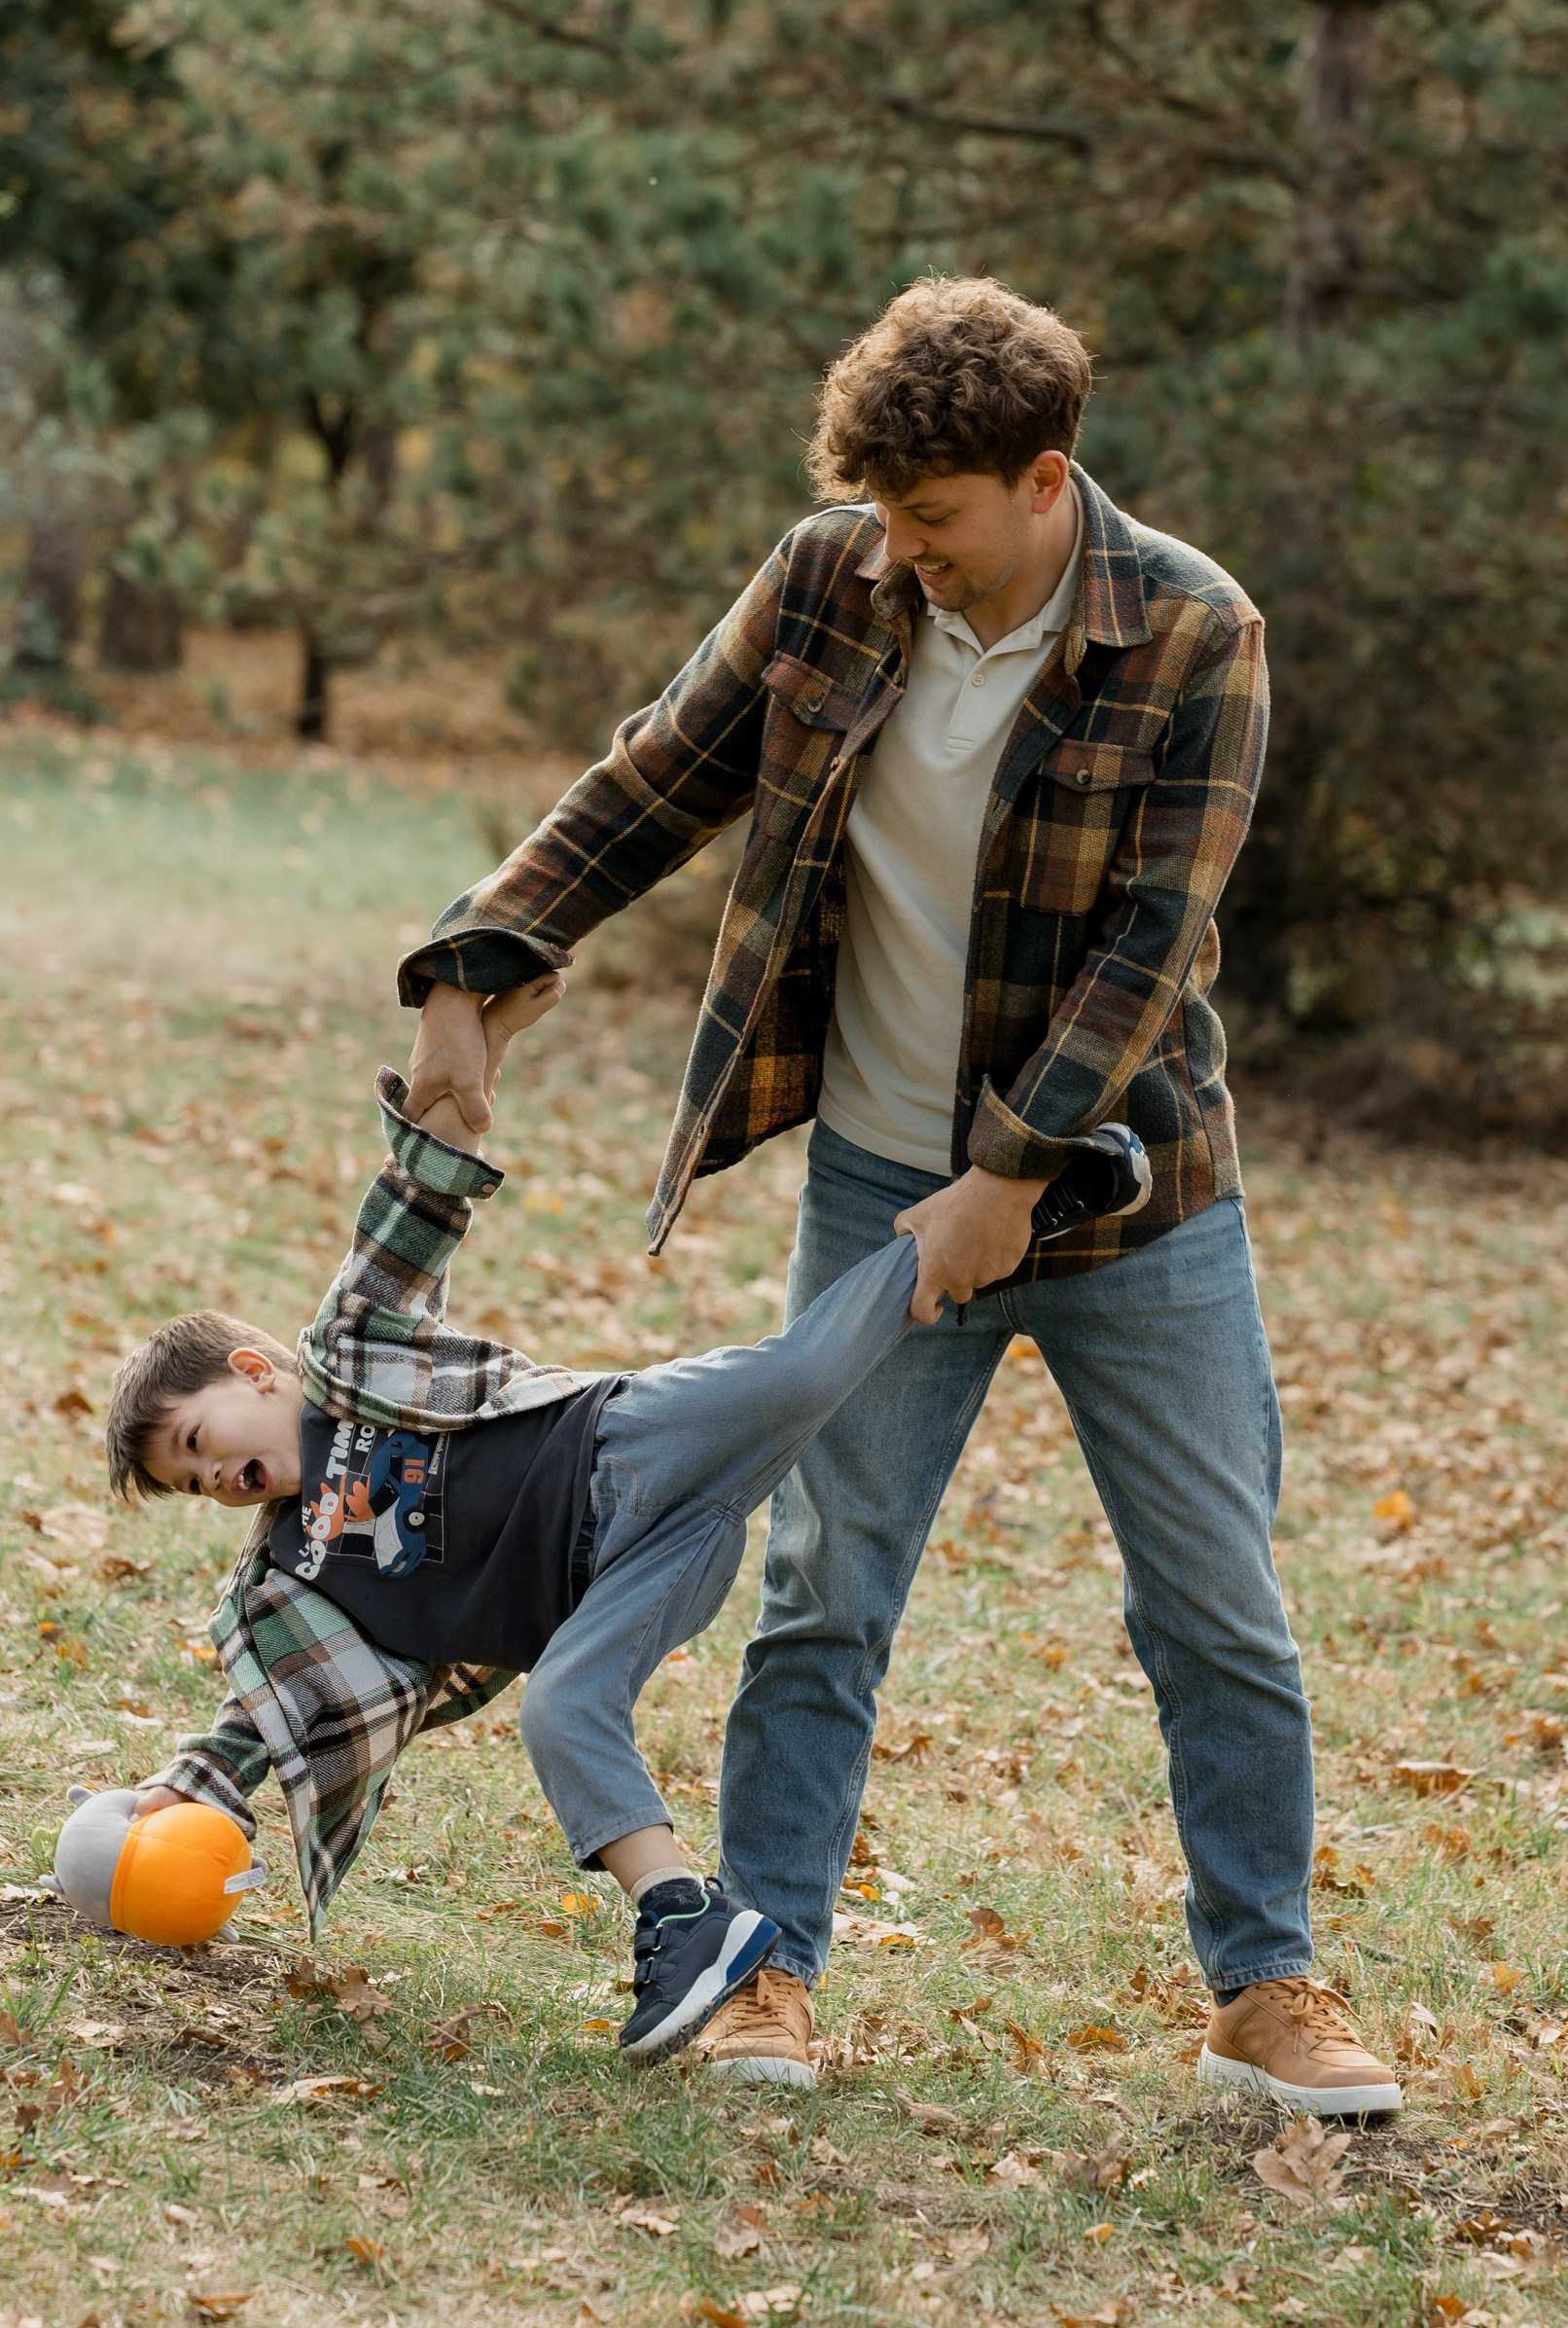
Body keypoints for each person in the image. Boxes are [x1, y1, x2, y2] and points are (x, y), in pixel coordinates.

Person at [399, 275, 1403, 2115]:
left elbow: (1149, 951)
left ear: (1044, 481)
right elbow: (650, 780)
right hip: (876, 1177)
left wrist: (1009, 1177)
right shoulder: (827, 585)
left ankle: (1266, 1982)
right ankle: (766, 1960)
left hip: (1135, 1201)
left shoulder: (1193, 630)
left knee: (1216, 1603)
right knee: (823, 1588)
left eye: (931, 520)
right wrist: (477, 960)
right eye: (879, 515)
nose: (901, 553)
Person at [103, 972, 1144, 2062]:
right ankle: (684, 1918)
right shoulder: (290, 1581)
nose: (209, 1480)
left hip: (621, 1444)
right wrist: (176, 1795)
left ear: (253, 1370)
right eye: (188, 1488)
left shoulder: (350, 1354)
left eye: (193, 1442)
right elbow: (257, 1717)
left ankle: (1032, 1201)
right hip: (620, 1584)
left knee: (804, 1374)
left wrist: (461, 1064)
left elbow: (412, 1209)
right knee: (560, 1709)